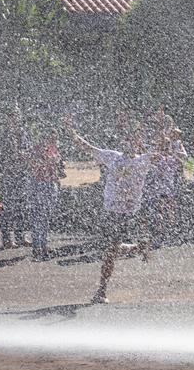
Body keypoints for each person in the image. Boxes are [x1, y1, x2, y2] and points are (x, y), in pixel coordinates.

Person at [65, 116, 153, 304]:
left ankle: (102, 290)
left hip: (127, 213)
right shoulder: (112, 156)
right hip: (110, 210)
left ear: (138, 143)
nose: (130, 143)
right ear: (124, 142)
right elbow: (88, 148)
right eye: (127, 139)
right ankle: (138, 247)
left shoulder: (143, 160)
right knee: (110, 249)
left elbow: (163, 150)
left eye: (134, 140)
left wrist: (166, 133)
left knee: (110, 251)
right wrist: (72, 132)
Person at [0, 108, 31, 249]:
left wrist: (25, 153)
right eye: (11, 117)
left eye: (16, 116)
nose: (14, 119)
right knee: (6, 207)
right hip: (9, 174)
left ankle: (20, 236)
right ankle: (6, 239)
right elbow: (0, 153)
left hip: (21, 173)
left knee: (20, 207)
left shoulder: (23, 133)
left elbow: (29, 148)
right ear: (8, 118)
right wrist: (14, 156)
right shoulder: (4, 135)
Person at [27, 127, 64, 260]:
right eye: (53, 138)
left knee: (46, 216)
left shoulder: (54, 149)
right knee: (38, 216)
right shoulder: (37, 149)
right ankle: (37, 246)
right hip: (39, 184)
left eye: (56, 138)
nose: (55, 141)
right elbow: (33, 165)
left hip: (51, 183)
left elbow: (57, 167)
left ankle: (43, 244)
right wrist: (48, 162)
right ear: (46, 138)